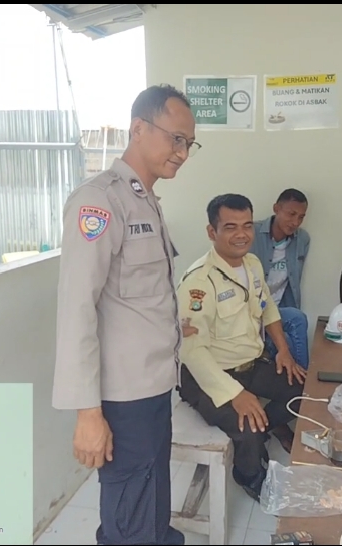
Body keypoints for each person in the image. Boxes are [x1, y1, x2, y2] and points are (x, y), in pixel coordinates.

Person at [52, 84, 201, 546]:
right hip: (123, 399)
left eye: (189, 144)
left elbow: (137, 301)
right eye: (176, 139)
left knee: (152, 504)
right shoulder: (100, 201)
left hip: (154, 387)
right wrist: (87, 413)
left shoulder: (147, 201)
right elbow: (76, 310)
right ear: (139, 129)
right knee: (131, 520)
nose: (183, 153)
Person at [177, 193, 307, 501]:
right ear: (212, 232)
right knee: (248, 428)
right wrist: (235, 394)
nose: (242, 234)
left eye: (247, 225)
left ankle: (259, 433)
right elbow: (191, 350)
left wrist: (284, 351)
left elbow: (268, 307)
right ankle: (249, 475)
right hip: (207, 377)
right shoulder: (198, 282)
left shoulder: (252, 264)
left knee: (302, 390)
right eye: (230, 227)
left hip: (250, 364)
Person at [249, 189, 311, 369]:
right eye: (291, 214)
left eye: (301, 217)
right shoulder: (252, 233)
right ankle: (302, 383)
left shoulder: (302, 239)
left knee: (294, 330)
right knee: (297, 319)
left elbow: (293, 283)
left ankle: (299, 383)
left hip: (279, 311)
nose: (295, 222)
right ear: (276, 208)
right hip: (252, 311)